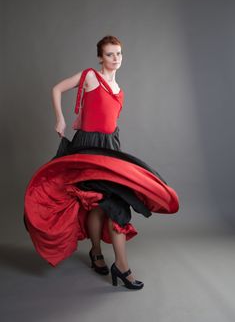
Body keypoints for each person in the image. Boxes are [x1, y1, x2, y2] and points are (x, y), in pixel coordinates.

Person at [24, 35, 179, 290]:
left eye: (118, 54)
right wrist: (60, 119)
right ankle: (115, 263)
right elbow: (57, 89)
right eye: (109, 54)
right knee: (104, 204)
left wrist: (86, 117)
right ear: (100, 57)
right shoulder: (90, 77)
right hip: (88, 149)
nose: (115, 59)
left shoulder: (121, 92)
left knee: (104, 205)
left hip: (110, 150)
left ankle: (101, 256)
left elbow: (105, 118)